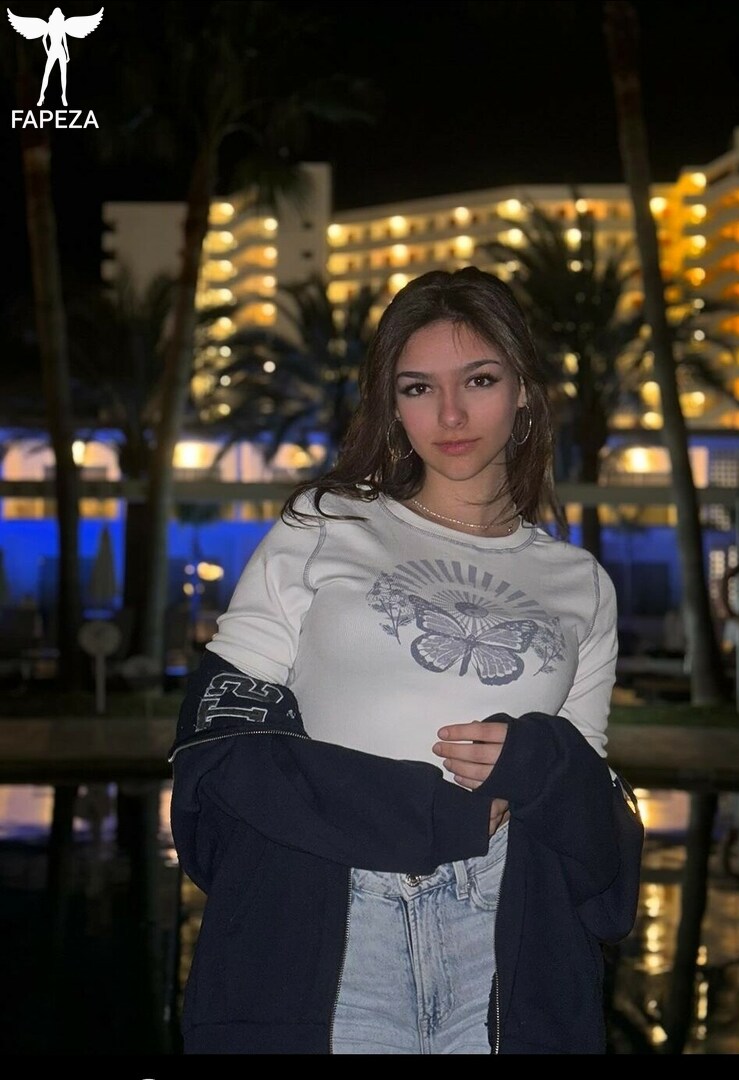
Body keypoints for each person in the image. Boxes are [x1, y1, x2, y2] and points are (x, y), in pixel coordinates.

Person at [169, 267, 644, 1055]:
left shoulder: (581, 583)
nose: (450, 415)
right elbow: (216, 758)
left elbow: (590, 832)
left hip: (503, 933)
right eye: (418, 387)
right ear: (392, 404)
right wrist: (425, 813)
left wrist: (539, 759)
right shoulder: (325, 524)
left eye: (479, 380)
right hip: (328, 922)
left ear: (524, 392)